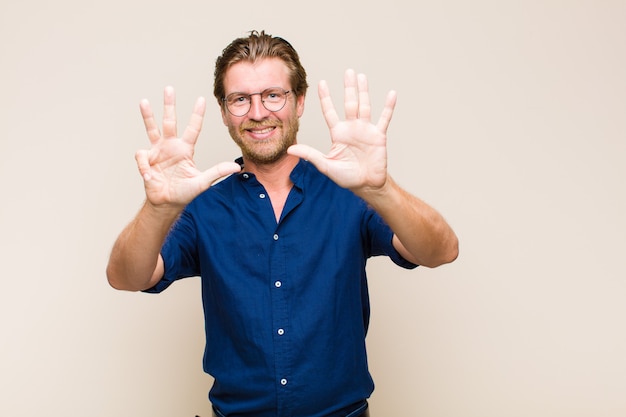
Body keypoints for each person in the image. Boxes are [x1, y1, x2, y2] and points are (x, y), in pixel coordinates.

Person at [107, 30, 458, 417]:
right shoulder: (202, 208)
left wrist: (381, 188)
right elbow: (127, 277)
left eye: (273, 95)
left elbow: (441, 251)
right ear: (224, 112)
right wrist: (158, 209)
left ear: (299, 100)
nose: (258, 113)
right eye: (240, 99)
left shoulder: (351, 193)